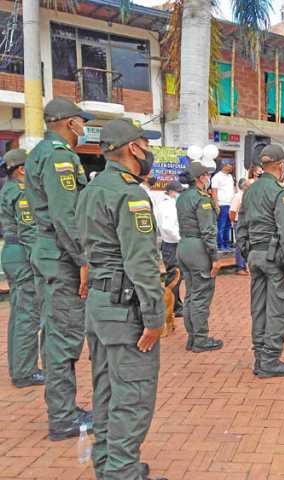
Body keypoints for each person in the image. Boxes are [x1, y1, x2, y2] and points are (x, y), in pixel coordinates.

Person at [76, 118, 166, 480]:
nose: (149, 152)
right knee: (134, 396)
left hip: (99, 304)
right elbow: (142, 262)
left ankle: (109, 465)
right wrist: (155, 317)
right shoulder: (130, 194)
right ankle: (123, 473)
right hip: (124, 306)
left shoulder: (92, 189)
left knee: (107, 390)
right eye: (145, 144)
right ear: (132, 148)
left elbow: (83, 245)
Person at [24, 97, 93, 441]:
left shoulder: (39, 153)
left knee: (54, 332)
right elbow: (66, 216)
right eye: (82, 121)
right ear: (69, 123)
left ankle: (63, 409)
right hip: (61, 256)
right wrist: (83, 260)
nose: (84, 127)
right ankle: (63, 417)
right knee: (64, 336)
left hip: (48, 251)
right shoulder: (59, 158)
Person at [237, 145, 284, 378]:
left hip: (255, 255)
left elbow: (241, 226)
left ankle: (259, 356)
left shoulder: (249, 191)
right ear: (281, 165)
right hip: (274, 258)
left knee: (259, 308)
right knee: (279, 309)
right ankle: (270, 360)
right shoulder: (280, 193)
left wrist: (247, 253)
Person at [0, 149, 43, 388]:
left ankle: (19, 367)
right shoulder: (21, 192)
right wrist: (42, 263)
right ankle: (25, 371)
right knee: (28, 315)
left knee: (19, 314)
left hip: (12, 252)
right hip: (23, 254)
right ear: (22, 169)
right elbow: (29, 232)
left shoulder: (8, 189)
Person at [176, 162, 224, 353]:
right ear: (199, 178)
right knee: (201, 296)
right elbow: (208, 231)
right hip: (199, 249)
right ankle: (201, 339)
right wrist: (215, 257)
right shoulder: (201, 199)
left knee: (190, 294)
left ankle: (192, 337)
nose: (208, 178)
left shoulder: (182, 197)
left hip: (184, 246)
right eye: (206, 175)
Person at [157, 181, 185, 316]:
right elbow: (168, 226)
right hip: (172, 243)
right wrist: (180, 238)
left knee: (176, 275)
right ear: (171, 192)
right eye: (178, 191)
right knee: (174, 276)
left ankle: (176, 304)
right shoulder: (168, 206)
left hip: (170, 243)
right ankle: (175, 307)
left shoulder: (166, 204)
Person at [210, 159, 235, 251]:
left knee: (228, 226)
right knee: (221, 226)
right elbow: (214, 192)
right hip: (222, 204)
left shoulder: (230, 177)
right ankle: (220, 245)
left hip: (230, 204)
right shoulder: (217, 177)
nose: (232, 166)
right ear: (224, 165)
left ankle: (226, 244)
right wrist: (216, 205)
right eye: (230, 164)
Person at [229, 177, 249, 275]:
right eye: (248, 184)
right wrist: (234, 222)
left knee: (246, 244)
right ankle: (240, 267)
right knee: (240, 245)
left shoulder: (248, 195)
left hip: (247, 222)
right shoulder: (237, 196)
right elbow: (232, 211)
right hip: (239, 222)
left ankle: (245, 266)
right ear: (244, 186)